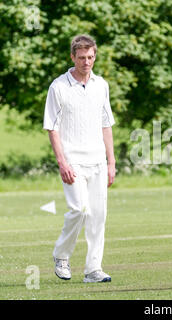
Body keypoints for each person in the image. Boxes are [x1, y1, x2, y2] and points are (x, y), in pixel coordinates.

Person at [43, 34, 116, 283]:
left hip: (97, 160)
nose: (87, 62)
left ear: (95, 56)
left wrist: (112, 163)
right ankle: (61, 255)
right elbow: (52, 127)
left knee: (98, 215)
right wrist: (62, 162)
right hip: (72, 160)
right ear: (72, 57)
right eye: (82, 57)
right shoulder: (58, 87)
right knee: (80, 209)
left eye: (91, 57)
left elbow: (106, 125)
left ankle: (93, 269)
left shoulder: (101, 85)